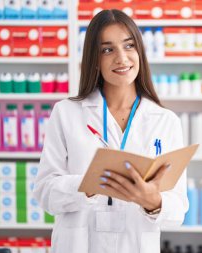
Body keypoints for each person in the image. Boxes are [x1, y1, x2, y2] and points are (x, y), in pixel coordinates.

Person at [33, 9, 189, 253]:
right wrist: (87, 185)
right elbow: (44, 192)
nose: (121, 58)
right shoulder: (66, 113)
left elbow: (178, 209)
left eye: (129, 46)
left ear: (140, 51)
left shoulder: (165, 121)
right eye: (107, 49)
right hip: (78, 245)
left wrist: (152, 201)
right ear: (94, 59)